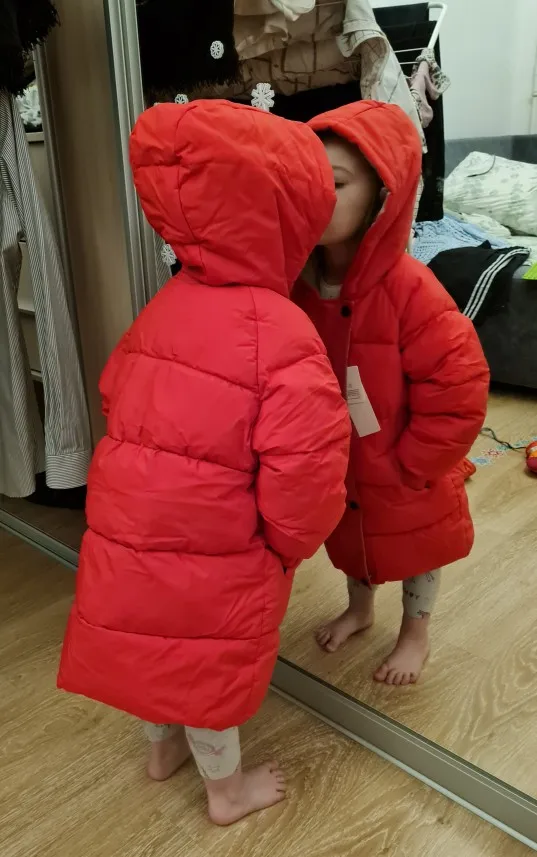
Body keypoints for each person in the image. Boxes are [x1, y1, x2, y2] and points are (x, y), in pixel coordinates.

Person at [57, 100, 351, 825]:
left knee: (154, 654)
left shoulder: (163, 306)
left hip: (131, 530)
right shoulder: (282, 331)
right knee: (204, 674)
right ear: (287, 216)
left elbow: (114, 393)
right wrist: (286, 545)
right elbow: (307, 471)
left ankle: (161, 753)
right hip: (218, 548)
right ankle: (226, 793)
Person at [293, 101, 490, 687]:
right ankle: (360, 609)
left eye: (336, 184)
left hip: (405, 464)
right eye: (306, 180)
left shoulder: (411, 289)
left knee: (417, 546)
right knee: (352, 540)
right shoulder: (298, 285)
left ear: (382, 196)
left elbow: (458, 383)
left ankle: (415, 633)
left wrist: (416, 462)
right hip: (338, 459)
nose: (317, 196)